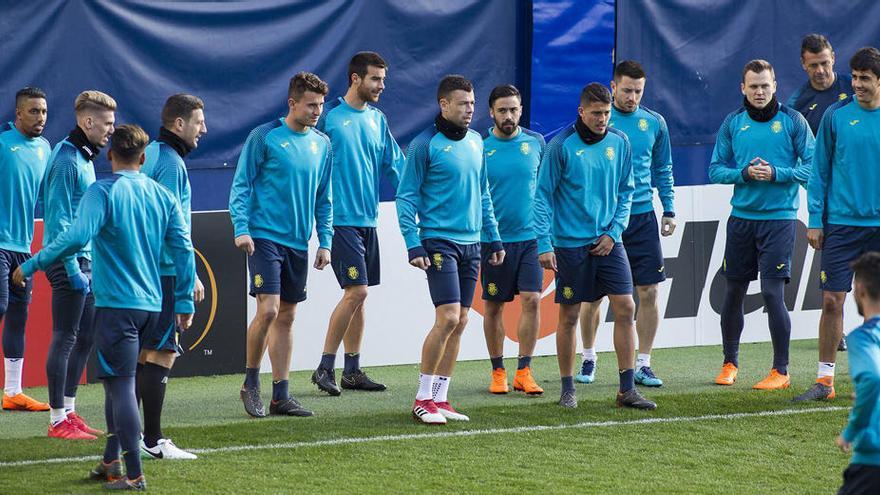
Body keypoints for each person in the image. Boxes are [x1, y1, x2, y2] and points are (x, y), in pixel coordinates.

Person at [15, 124, 196, 490]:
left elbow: (76, 237)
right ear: (144, 159)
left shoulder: (102, 190)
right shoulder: (163, 195)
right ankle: (111, 459)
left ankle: (133, 474)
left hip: (116, 307)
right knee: (121, 385)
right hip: (154, 304)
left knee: (120, 387)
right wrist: (185, 299)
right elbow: (182, 248)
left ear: (110, 155)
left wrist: (32, 263)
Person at [534, 82, 655, 410]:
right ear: (581, 111)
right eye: (596, 113)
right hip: (570, 246)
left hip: (608, 242)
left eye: (606, 113)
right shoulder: (560, 146)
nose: (602, 119)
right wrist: (545, 244)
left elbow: (626, 190)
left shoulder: (620, 141)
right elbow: (542, 196)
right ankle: (567, 388)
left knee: (627, 307)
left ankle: (626, 389)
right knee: (570, 315)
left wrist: (614, 232)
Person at [396, 74, 505, 424]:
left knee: (460, 321)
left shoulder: (476, 141)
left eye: (472, 103)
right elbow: (406, 196)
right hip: (438, 241)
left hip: (473, 242)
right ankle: (421, 398)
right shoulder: (423, 144)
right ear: (444, 104)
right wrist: (413, 243)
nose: (470, 109)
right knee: (446, 318)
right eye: (463, 103)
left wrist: (494, 236)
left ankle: (441, 399)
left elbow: (484, 193)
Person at [229, 72, 332, 418]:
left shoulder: (323, 144)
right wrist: (241, 228)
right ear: (292, 103)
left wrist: (325, 241)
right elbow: (242, 185)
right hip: (263, 238)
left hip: (298, 243)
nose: (317, 110)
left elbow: (324, 198)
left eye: (320, 104)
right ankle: (251, 383)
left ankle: (281, 395)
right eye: (310, 104)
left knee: (287, 316)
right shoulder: (264, 136)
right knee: (269, 310)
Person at [708, 60, 814, 390]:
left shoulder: (793, 121)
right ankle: (730, 364)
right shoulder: (732, 123)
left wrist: (777, 173)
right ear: (743, 88)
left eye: (765, 85)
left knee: (771, 293)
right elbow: (714, 170)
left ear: (775, 85)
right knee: (733, 292)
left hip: (780, 221)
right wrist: (742, 173)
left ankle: (780, 371)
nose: (759, 91)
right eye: (753, 85)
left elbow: (813, 169)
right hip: (741, 221)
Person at [576, 60, 676, 387]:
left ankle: (644, 363)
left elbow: (663, 169)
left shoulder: (655, 123)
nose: (632, 97)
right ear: (614, 86)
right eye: (627, 90)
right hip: (603, 221)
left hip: (643, 217)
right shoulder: (600, 120)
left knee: (648, 292)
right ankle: (589, 356)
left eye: (638, 91)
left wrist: (670, 209)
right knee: (593, 298)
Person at [311, 52, 404, 396]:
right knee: (357, 290)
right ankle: (324, 367)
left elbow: (397, 167)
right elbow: (309, 158)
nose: (382, 85)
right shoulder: (330, 117)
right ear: (355, 79)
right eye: (376, 79)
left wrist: (422, 198)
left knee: (360, 297)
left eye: (383, 79)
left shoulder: (378, 120)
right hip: (340, 220)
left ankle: (351, 370)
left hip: (368, 219)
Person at [795, 47, 880, 402]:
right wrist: (815, 220)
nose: (857, 84)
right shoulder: (835, 115)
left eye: (865, 79)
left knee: (874, 306)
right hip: (841, 225)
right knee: (832, 300)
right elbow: (819, 172)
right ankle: (824, 381)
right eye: (855, 77)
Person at [42, 90, 117, 438]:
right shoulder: (66, 159)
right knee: (66, 337)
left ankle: (69, 412)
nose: (111, 131)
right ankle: (57, 419)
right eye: (106, 123)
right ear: (87, 122)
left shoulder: (84, 157)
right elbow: (57, 220)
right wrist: (71, 267)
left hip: (85, 260)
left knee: (85, 337)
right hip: (66, 260)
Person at [138, 94, 207, 459]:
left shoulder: (149, 153)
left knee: (144, 354)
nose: (204, 129)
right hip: (163, 273)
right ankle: (152, 440)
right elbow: (171, 227)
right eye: (199, 121)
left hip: (143, 271)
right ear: (178, 124)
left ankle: (133, 437)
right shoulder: (170, 163)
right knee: (161, 354)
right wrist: (187, 277)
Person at [480, 84, 545, 396]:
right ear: (491, 112)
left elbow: (546, 192)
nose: (509, 116)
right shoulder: (478, 146)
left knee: (532, 300)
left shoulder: (536, 143)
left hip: (531, 239)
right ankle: (497, 371)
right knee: (493, 306)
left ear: (521, 110)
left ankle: (524, 370)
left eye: (514, 110)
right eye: (502, 110)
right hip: (494, 242)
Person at [0, 87, 51, 413]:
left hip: (24, 247)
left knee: (19, 314)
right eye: (34, 111)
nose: (41, 118)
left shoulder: (45, 148)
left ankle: (13, 392)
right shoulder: (3, 146)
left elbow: (49, 195)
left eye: (44, 112)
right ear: (18, 114)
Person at [835, 252, 880, 495]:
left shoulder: (862, 337)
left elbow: (873, 378)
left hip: (873, 461)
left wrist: (850, 431)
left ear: (860, 289)